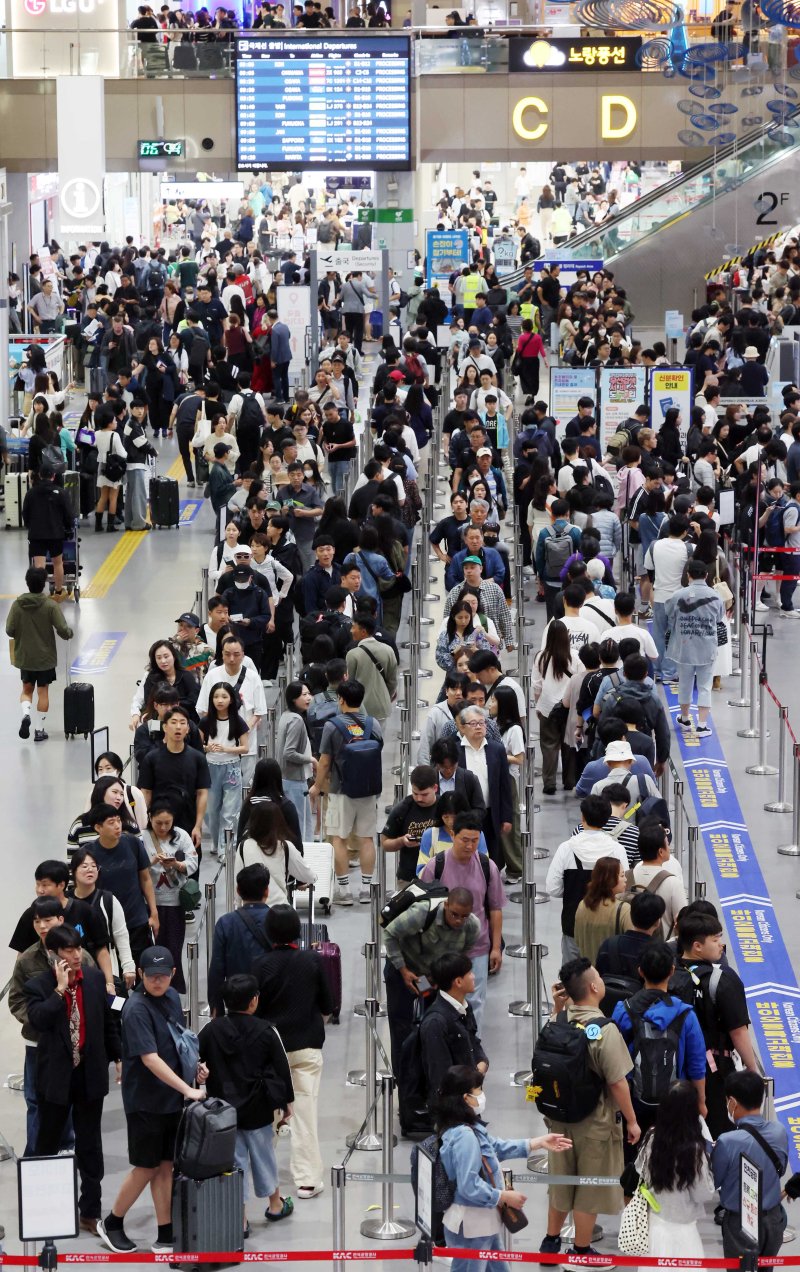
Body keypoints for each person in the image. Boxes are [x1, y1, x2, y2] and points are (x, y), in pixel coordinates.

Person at [97, 947, 205, 1255]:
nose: (157, 982)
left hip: (169, 1098)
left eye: (163, 976)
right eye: (151, 976)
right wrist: (188, 1089)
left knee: (165, 1166)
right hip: (145, 1101)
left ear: (173, 974)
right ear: (140, 975)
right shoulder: (136, 1009)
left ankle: (165, 1232)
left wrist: (194, 1068)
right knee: (145, 1167)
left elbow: (177, 1040)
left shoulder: (170, 998)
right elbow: (150, 1059)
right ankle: (113, 1222)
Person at [537, 958, 640, 1268]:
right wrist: (632, 1121)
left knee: (561, 1177)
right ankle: (581, 1251)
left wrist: (557, 1009)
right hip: (594, 1122)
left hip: (558, 1117)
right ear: (595, 987)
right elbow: (618, 1082)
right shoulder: (604, 1030)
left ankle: (550, 1241)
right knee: (590, 1186)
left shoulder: (557, 1022)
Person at [26, 925, 122, 1236]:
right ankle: (43, 1209)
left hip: (89, 1072)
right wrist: (59, 989)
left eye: (78, 948)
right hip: (56, 1076)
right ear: (54, 955)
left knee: (90, 1143)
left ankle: (90, 1211)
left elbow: (108, 1022)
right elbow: (38, 1020)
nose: (76, 954)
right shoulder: (39, 985)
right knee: (47, 1143)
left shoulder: (94, 980)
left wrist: (118, 1056)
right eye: (68, 950)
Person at [434, 1065, 570, 1272]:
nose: (482, 1095)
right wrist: (503, 1197)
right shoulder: (465, 1136)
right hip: (474, 1223)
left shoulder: (463, 1127)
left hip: (479, 1222)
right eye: (478, 1090)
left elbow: (495, 1147)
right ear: (465, 1098)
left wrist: (537, 1142)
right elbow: (469, 1186)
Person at [199, 972, 296, 1232]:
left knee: (234, 1162)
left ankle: (239, 1219)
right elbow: (281, 1067)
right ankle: (275, 1204)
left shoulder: (210, 1030)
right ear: (254, 1001)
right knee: (264, 1154)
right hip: (258, 1108)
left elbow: (197, 1061)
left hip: (223, 1110)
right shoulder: (266, 1030)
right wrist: (288, 1103)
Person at [254, 905, 333, 1200]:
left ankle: (262, 1176)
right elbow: (328, 1005)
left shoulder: (259, 965)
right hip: (307, 1047)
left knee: (271, 1115)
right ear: (298, 933)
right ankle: (307, 1180)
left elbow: (254, 1011)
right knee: (305, 1112)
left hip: (272, 1050)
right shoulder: (312, 961)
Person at [612, 941, 707, 1147]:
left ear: (640, 971)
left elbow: (612, 1059)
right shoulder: (685, 1014)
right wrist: (701, 1102)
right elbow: (697, 1064)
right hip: (675, 1101)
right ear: (672, 971)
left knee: (634, 1159)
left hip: (633, 1102)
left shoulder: (623, 1010)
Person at [673, 909, 757, 1138]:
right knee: (718, 1133)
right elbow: (738, 1032)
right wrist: (752, 1070)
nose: (721, 945)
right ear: (697, 946)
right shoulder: (723, 980)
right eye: (716, 939)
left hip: (673, 1067)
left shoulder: (669, 973)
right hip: (715, 1072)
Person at [384, 887, 479, 1085]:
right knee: (402, 1029)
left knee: (434, 1030)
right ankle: (404, 1085)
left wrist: (442, 977)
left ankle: (428, 1083)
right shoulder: (421, 913)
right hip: (403, 969)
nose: (459, 921)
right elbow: (390, 934)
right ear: (445, 906)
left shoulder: (472, 926)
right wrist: (403, 970)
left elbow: (463, 954)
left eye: (464, 916)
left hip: (433, 979)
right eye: (454, 914)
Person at [419, 812, 505, 1031]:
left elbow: (495, 909)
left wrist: (495, 948)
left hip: (477, 947)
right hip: (442, 949)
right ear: (452, 834)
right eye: (464, 840)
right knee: (441, 1002)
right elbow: (420, 911)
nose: (469, 846)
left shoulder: (488, 867)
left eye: (475, 841)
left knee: (475, 1002)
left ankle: (470, 1048)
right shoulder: (435, 866)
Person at [309, 678, 383, 906]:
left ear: (340, 699)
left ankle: (344, 890)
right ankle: (366, 888)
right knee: (367, 839)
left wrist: (317, 786)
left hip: (340, 791)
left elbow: (324, 762)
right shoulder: (373, 724)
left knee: (338, 839)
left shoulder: (333, 726)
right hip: (368, 790)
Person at [631, 1082, 715, 1265]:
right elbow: (702, 1193)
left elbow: (640, 1171)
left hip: (655, 1223)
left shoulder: (652, 1138)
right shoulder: (694, 1149)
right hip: (684, 1229)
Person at [712, 1070, 789, 1262]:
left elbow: (714, 1180)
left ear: (732, 1102)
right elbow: (781, 1168)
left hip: (741, 1224)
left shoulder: (727, 1141)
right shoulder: (779, 1131)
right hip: (774, 1219)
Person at [545, 795, 629, 962]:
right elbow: (623, 888)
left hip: (573, 923)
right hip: (609, 924)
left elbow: (552, 888)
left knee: (573, 978)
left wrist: (572, 889)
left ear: (582, 816)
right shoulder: (616, 850)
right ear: (606, 819)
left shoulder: (566, 848)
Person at [87, 801, 160, 969]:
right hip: (106, 925)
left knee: (141, 970)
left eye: (118, 820)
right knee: (115, 975)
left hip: (136, 920)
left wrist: (153, 913)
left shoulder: (132, 843)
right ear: (98, 828)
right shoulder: (89, 853)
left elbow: (145, 879)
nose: (117, 826)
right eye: (111, 823)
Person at [6, 566, 72, 742]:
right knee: (43, 692)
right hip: (45, 659)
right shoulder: (50, 605)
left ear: (27, 583)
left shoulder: (17, 605)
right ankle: (39, 730)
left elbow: (9, 630)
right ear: (43, 585)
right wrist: (69, 633)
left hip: (25, 657)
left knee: (27, 690)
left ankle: (26, 714)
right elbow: (62, 629)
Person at [142, 802, 197, 993]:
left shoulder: (181, 835)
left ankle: (172, 989)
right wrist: (152, 862)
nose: (163, 827)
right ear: (150, 819)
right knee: (151, 949)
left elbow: (193, 863)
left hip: (175, 903)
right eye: (159, 823)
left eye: (167, 823)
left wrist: (176, 864)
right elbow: (138, 870)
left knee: (173, 948)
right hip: (150, 904)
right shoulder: (142, 838)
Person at [665, 558, 724, 735]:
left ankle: (684, 719)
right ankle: (702, 724)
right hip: (707, 648)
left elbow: (670, 617)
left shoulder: (678, 595)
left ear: (688, 575)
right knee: (705, 686)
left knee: (685, 683)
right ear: (706, 575)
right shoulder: (716, 596)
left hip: (684, 648)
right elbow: (719, 619)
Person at [207, 864, 272, 1017]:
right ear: (267, 891)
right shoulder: (277, 920)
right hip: (272, 998)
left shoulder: (225, 923)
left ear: (238, 890)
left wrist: (216, 1006)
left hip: (237, 1001)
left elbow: (217, 968)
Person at [198, 682, 250, 860]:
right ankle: (215, 841)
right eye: (216, 697)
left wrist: (227, 749)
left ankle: (225, 848)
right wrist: (207, 748)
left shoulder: (238, 721)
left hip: (232, 768)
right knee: (211, 810)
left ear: (231, 700)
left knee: (230, 811)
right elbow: (198, 745)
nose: (219, 701)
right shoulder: (205, 721)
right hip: (210, 768)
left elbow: (245, 748)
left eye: (224, 697)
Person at [236, 801, 316, 906]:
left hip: (249, 909)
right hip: (279, 911)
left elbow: (237, 882)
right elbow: (309, 876)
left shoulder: (243, 846)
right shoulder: (285, 847)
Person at [381, 765, 440, 888]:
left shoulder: (445, 808)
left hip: (440, 877)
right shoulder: (402, 809)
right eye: (415, 793)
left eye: (424, 794)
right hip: (409, 878)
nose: (419, 798)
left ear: (435, 788)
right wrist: (402, 841)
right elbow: (385, 843)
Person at [22, 467, 74, 602]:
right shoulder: (61, 493)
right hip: (56, 533)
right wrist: (68, 528)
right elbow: (69, 515)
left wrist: (31, 526)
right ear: (53, 476)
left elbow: (25, 514)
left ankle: (38, 594)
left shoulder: (31, 493)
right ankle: (58, 592)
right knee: (58, 563)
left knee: (39, 566)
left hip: (36, 534)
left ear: (39, 475)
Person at [276, 681, 315, 842]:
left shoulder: (286, 716)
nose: (309, 698)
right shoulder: (296, 720)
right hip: (295, 779)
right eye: (303, 695)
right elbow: (289, 753)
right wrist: (311, 759)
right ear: (293, 699)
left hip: (287, 778)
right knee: (300, 824)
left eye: (308, 693)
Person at [345, 612, 398, 724]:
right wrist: (384, 696)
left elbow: (350, 685)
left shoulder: (353, 654)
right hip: (382, 708)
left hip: (359, 710)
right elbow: (392, 681)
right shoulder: (388, 650)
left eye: (353, 627)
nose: (351, 631)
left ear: (363, 631)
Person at [574, 856, 628, 964]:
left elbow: (578, 941)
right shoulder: (623, 909)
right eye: (622, 875)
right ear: (610, 880)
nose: (626, 879)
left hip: (588, 972)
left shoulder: (582, 905)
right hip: (613, 975)